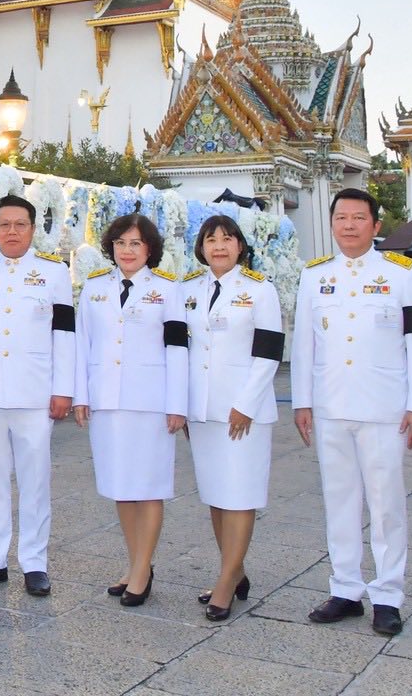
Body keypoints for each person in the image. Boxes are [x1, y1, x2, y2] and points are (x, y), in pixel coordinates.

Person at [292, 188, 412, 637]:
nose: (349, 225)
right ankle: (346, 589)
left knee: (386, 502)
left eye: (359, 218)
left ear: (376, 226)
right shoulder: (314, 276)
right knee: (340, 500)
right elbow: (303, 344)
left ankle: (388, 595)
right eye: (341, 218)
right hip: (332, 406)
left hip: (384, 408)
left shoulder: (403, 273)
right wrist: (302, 401)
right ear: (331, 224)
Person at [0, 194, 74, 598]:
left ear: (33, 228)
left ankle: (35, 563)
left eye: (20, 224)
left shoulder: (54, 273)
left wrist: (63, 390)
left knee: (35, 481)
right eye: (4, 224)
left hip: (35, 394)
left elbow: (65, 336)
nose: (12, 232)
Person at [73, 212, 187, 607]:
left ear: (150, 249)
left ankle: (143, 569)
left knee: (148, 486)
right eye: (121, 243)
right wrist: (80, 396)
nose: (127, 251)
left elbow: (178, 350)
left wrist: (177, 404)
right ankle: (136, 562)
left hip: (151, 402)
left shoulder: (168, 290)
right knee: (121, 486)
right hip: (107, 400)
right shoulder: (94, 288)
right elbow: (82, 345)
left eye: (135, 243)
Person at [182, 215, 283, 621]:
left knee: (239, 495)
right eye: (210, 239)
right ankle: (234, 570)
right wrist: (184, 406)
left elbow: (269, 351)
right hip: (203, 411)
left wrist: (246, 403)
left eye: (227, 239)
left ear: (240, 246)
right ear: (201, 247)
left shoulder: (259, 290)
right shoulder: (188, 289)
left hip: (244, 411)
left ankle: (226, 582)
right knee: (216, 495)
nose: (219, 246)